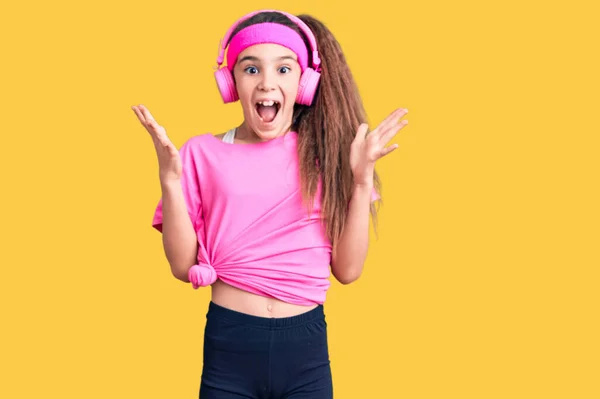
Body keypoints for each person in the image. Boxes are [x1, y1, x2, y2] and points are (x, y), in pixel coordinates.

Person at [132, 8, 408, 399]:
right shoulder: (201, 153)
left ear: (305, 82)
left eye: (283, 69)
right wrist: (170, 181)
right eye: (251, 69)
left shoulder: (328, 156)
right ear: (231, 84)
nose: (266, 83)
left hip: (306, 353)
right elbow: (182, 266)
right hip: (230, 348)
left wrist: (361, 182)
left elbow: (347, 271)